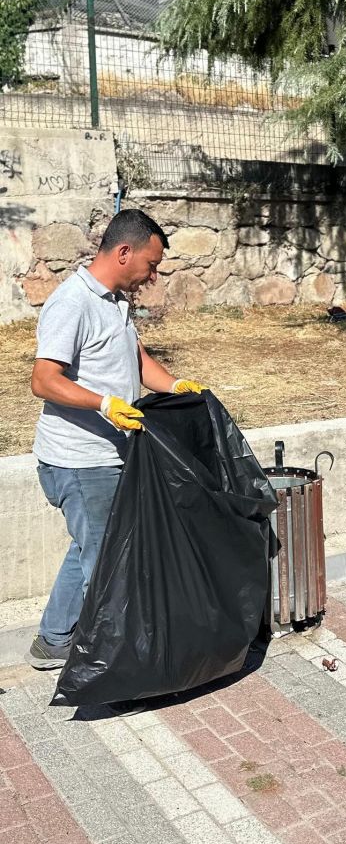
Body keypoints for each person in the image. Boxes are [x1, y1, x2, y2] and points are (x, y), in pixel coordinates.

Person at [27, 208, 206, 672]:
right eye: (150, 264)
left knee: (91, 547)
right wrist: (104, 404)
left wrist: (174, 385)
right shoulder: (72, 303)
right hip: (79, 460)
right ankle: (111, 667)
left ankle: (54, 639)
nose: (152, 275)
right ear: (124, 252)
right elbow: (44, 380)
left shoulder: (116, 301)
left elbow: (136, 356)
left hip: (107, 456)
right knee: (109, 563)